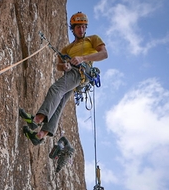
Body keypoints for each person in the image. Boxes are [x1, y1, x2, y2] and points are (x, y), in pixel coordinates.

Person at [20, 11, 108, 146]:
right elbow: (59, 66)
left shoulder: (93, 39)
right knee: (59, 103)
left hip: (82, 71)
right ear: (73, 29)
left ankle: (37, 120)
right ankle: (40, 135)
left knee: (56, 89)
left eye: (84, 26)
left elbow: (104, 54)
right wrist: (65, 66)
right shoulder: (67, 48)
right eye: (78, 27)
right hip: (71, 73)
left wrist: (83, 58)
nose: (81, 29)